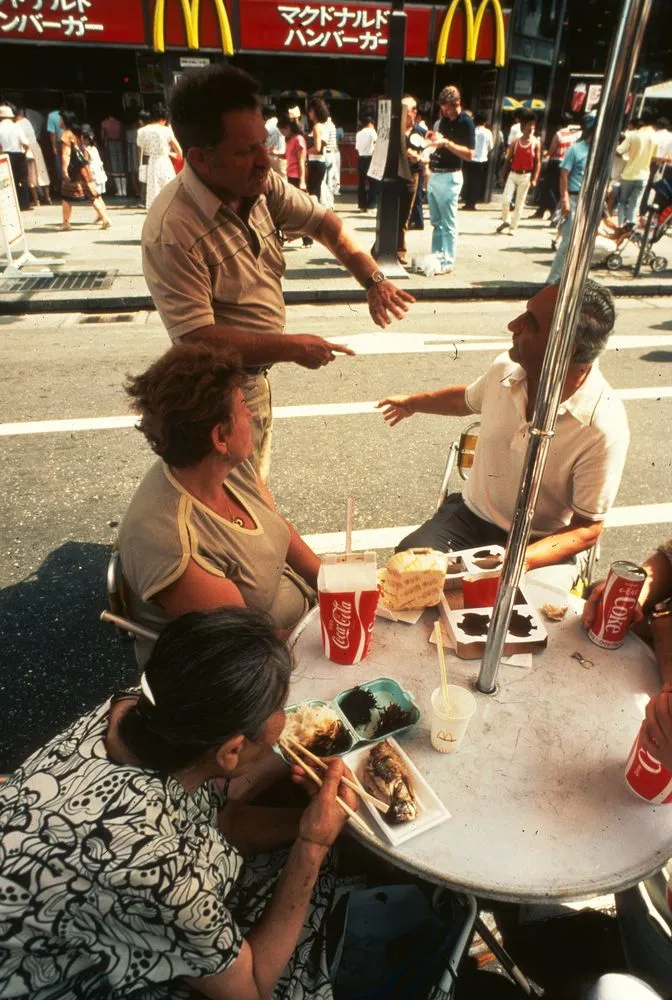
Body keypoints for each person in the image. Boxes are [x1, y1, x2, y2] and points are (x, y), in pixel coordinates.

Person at [0, 606, 359, 999]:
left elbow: (220, 821)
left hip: (96, 897)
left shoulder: (142, 710)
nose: (283, 721)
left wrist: (308, 821)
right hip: (58, 979)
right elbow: (252, 990)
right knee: (321, 891)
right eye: (278, 708)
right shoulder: (153, 866)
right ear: (231, 752)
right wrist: (313, 846)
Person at [141, 64, 414, 483]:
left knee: (250, 494)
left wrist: (373, 280)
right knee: (233, 510)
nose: (264, 160)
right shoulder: (172, 230)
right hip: (217, 395)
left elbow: (326, 224)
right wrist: (290, 347)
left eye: (264, 144)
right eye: (245, 151)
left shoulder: (260, 186)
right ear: (200, 158)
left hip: (253, 382)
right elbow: (197, 338)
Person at [376, 280, 629, 591]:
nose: (513, 325)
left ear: (566, 349)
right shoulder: (505, 368)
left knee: (524, 607)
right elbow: (465, 400)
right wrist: (413, 403)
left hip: (541, 542)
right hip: (469, 518)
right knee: (409, 574)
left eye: (530, 323)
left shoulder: (602, 424)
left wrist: (520, 559)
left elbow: (588, 528)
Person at [118, 340, 322, 664]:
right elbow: (247, 644)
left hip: (303, 620)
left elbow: (275, 525)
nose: (252, 413)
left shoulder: (222, 466)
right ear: (219, 437)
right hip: (250, 666)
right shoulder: (172, 543)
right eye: (244, 405)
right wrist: (333, 631)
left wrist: (331, 584)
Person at [424, 85, 475, 275]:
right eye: (443, 110)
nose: (446, 113)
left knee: (448, 221)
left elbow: (470, 154)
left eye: (448, 109)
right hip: (436, 172)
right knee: (436, 221)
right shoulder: (444, 121)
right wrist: (434, 138)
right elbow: (440, 141)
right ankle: (437, 256)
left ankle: (448, 260)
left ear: (457, 104)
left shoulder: (466, 123)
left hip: (451, 175)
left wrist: (447, 143)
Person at [547, 111, 597, 285]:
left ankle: (572, 277)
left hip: (590, 201)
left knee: (584, 242)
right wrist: (565, 199)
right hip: (574, 198)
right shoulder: (576, 149)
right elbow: (564, 175)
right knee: (567, 241)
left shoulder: (598, 152)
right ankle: (553, 280)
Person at [59, 110, 111, 231]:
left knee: (66, 196)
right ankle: (105, 218)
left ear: (65, 121)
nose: (59, 122)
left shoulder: (66, 134)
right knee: (92, 194)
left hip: (74, 169)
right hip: (84, 168)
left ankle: (66, 223)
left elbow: (66, 154)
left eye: (61, 119)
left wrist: (64, 169)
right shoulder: (78, 133)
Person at [496, 110, 540, 234]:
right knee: (506, 199)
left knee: (519, 203)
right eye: (529, 125)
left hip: (526, 176)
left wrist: (535, 178)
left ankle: (513, 227)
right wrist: (502, 176)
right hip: (513, 174)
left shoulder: (535, 143)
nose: (531, 128)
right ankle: (507, 219)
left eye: (533, 125)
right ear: (523, 126)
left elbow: (538, 162)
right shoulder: (516, 141)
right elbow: (508, 160)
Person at [534, 112, 580, 220]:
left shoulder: (559, 134)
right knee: (559, 190)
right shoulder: (574, 135)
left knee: (547, 188)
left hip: (556, 163)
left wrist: (544, 153)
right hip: (568, 164)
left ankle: (555, 211)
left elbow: (551, 151)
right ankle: (544, 211)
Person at [136, 101, 181, 210]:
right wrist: (168, 153)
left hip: (151, 165)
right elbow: (179, 153)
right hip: (165, 163)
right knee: (170, 194)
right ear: (164, 118)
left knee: (154, 196)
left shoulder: (141, 131)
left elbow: (140, 154)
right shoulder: (166, 131)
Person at [616, 110, 658, 225]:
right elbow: (654, 157)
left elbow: (619, 150)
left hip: (628, 174)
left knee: (623, 202)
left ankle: (620, 225)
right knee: (634, 204)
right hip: (643, 175)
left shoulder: (633, 136)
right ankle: (629, 227)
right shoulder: (655, 138)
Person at [278, 113, 312, 249]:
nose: (282, 133)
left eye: (282, 130)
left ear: (288, 127)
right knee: (293, 208)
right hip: (291, 175)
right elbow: (288, 156)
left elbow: (301, 161)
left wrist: (302, 181)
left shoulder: (298, 139)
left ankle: (307, 239)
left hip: (298, 177)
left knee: (301, 208)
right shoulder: (290, 139)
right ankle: (293, 236)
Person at [15, 107, 51, 207]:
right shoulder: (26, 120)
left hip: (28, 149)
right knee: (42, 172)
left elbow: (22, 140)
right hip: (36, 146)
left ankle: (36, 200)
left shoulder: (16, 125)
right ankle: (48, 197)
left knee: (31, 175)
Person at [0, 103, 30, 209]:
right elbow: (26, 143)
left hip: (6, 155)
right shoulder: (16, 126)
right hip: (19, 155)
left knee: (7, 181)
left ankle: (10, 204)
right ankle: (24, 204)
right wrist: (24, 153)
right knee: (23, 180)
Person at [462, 112, 492, 211]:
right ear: (485, 122)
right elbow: (491, 146)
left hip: (470, 159)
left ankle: (467, 202)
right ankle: (473, 202)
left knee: (467, 181)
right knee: (477, 182)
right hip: (482, 161)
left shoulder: (472, 131)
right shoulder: (488, 132)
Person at [100, 111, 126, 196]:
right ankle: (124, 191)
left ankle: (119, 190)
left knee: (114, 166)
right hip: (119, 143)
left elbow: (103, 136)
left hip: (110, 143)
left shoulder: (104, 123)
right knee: (121, 166)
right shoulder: (119, 123)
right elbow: (123, 135)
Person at [355, 114, 377, 212]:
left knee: (361, 183)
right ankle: (371, 205)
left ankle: (362, 205)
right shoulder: (373, 132)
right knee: (373, 183)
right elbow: (376, 145)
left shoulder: (359, 133)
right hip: (371, 159)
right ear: (370, 123)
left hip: (361, 158)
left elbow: (357, 148)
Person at [82, 123, 108, 195]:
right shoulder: (94, 148)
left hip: (94, 175)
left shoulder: (86, 150)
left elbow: (85, 162)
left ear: (86, 140)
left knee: (94, 196)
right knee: (98, 196)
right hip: (100, 173)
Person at [263, 102, 287, 178]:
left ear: (265, 115)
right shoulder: (280, 124)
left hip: (271, 157)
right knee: (284, 184)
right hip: (282, 157)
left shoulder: (266, 126)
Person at [46, 105, 64, 184]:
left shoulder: (51, 115)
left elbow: (52, 133)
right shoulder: (68, 113)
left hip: (59, 142)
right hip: (70, 140)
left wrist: (53, 147)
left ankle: (62, 183)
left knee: (60, 163)